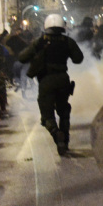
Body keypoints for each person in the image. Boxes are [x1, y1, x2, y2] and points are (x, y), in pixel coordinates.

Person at [18, 14, 84, 155]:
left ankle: (55, 133)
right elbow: (78, 59)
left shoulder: (40, 42)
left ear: (46, 26)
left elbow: (22, 57)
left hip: (46, 81)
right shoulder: (68, 41)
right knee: (64, 111)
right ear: (62, 27)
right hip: (62, 79)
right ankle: (65, 141)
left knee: (47, 114)